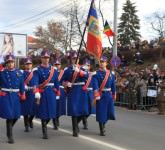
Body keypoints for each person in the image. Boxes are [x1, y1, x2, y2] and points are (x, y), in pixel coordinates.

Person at [33, 49, 60, 139]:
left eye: (47, 57)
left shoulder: (54, 69)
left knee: (52, 112)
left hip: (51, 92)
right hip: (43, 92)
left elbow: (56, 81)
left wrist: (58, 91)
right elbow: (36, 81)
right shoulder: (37, 70)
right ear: (41, 58)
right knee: (44, 112)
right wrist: (37, 91)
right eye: (44, 57)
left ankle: (45, 125)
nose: (46, 59)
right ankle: (44, 131)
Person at [61, 51, 88, 137]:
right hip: (73, 90)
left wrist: (79, 72)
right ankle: (75, 129)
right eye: (73, 58)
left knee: (84, 111)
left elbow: (87, 76)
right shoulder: (67, 70)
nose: (75, 60)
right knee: (74, 111)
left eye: (76, 58)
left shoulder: (83, 69)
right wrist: (66, 84)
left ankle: (76, 124)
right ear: (71, 59)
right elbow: (61, 81)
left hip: (82, 91)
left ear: (79, 59)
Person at [0, 54, 25, 144]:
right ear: (6, 63)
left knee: (16, 116)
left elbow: (22, 84)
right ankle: (10, 136)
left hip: (16, 96)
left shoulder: (19, 73)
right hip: (6, 96)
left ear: (14, 63)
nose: (10, 64)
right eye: (8, 62)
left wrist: (23, 94)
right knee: (9, 116)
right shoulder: (2, 73)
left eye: (12, 62)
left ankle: (9, 129)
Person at [93, 55, 116, 136]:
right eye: (101, 62)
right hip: (101, 94)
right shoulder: (96, 74)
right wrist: (96, 93)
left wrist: (114, 94)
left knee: (110, 112)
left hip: (108, 95)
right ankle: (101, 128)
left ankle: (103, 124)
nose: (102, 63)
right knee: (101, 112)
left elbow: (113, 85)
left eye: (103, 62)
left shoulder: (111, 73)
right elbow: (95, 84)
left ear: (106, 63)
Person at [21, 57, 36, 132]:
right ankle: (26, 125)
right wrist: (26, 87)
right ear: (24, 65)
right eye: (27, 64)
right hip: (26, 93)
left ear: (31, 64)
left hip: (33, 93)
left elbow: (37, 82)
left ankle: (30, 120)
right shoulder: (22, 73)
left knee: (34, 109)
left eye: (29, 64)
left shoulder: (35, 73)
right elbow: (21, 83)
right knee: (26, 110)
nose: (28, 65)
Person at [52, 58, 66, 130]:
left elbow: (67, 79)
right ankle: (54, 120)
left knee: (60, 107)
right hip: (53, 90)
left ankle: (57, 117)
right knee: (54, 106)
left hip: (61, 91)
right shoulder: (51, 72)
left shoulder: (63, 72)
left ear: (60, 65)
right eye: (56, 64)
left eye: (58, 64)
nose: (57, 66)